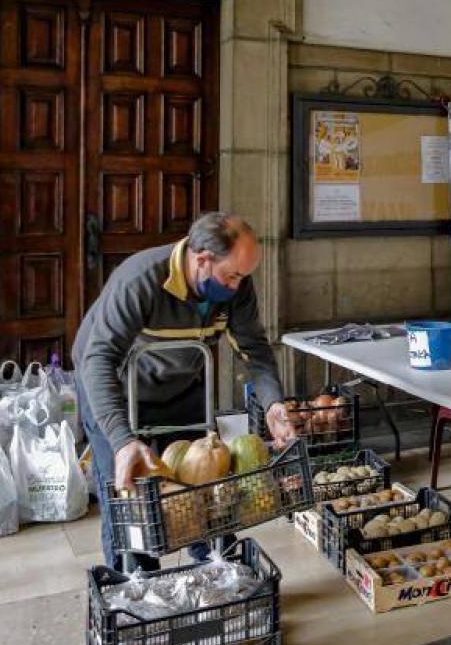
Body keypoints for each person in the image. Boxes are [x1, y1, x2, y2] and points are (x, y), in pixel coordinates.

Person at [73, 212, 296, 570]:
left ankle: (216, 571)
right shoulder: (140, 280)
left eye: (243, 276)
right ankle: (136, 586)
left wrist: (272, 403)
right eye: (232, 276)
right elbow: (97, 360)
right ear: (202, 258)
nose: (238, 287)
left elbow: (255, 349)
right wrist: (122, 440)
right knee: (133, 501)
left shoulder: (235, 287)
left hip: (182, 383)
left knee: (205, 487)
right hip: (115, 387)